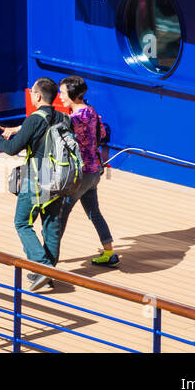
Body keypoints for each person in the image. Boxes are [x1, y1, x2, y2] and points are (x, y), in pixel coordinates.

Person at [0, 77, 69, 292]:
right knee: (51, 225)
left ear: (38, 96)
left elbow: (12, 148)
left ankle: (43, 266)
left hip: (37, 179)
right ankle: (46, 273)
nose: (31, 94)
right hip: (59, 179)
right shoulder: (64, 118)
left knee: (22, 223)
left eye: (32, 91)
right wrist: (17, 130)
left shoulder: (33, 119)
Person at [57, 76, 119, 267]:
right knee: (94, 212)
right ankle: (109, 253)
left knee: (60, 214)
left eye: (63, 93)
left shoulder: (74, 119)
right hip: (94, 172)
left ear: (74, 96)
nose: (60, 96)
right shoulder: (91, 112)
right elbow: (100, 134)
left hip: (80, 175)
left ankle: (47, 258)